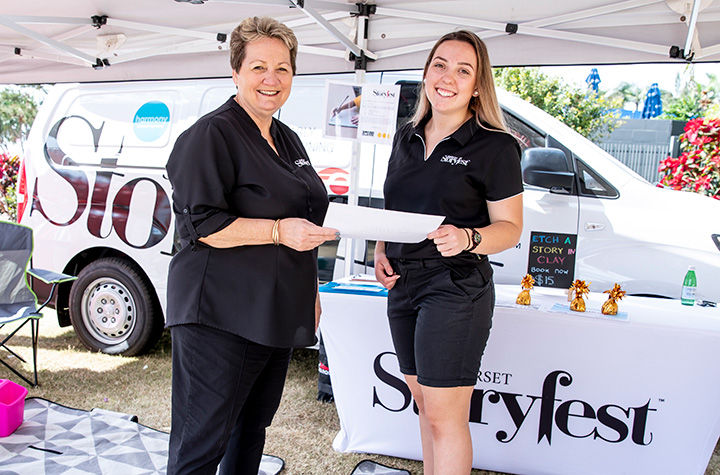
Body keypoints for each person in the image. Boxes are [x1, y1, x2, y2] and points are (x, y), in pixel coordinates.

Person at [165, 16, 337, 475]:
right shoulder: (211, 134)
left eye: (283, 68)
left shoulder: (286, 137)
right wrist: (278, 230)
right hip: (218, 315)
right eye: (258, 66)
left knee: (250, 433)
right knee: (200, 444)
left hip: (273, 312)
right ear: (236, 71)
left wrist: (312, 293)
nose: (271, 79)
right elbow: (202, 223)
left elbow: (307, 217)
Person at [374, 30, 523, 475]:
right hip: (403, 284)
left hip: (454, 287)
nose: (448, 77)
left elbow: (510, 229)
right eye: (440, 64)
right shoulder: (407, 136)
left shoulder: (495, 146)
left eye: (463, 70)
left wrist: (469, 237)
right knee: (425, 406)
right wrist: (382, 248)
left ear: (477, 85)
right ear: (426, 72)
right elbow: (396, 206)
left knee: (445, 416)